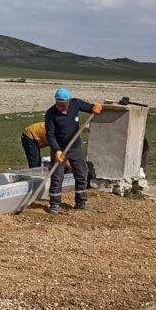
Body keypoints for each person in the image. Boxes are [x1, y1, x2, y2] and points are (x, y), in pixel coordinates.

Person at [44, 87, 103, 215]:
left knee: (81, 173)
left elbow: (90, 107)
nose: (61, 107)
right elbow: (50, 135)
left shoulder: (75, 103)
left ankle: (81, 202)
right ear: (56, 101)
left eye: (64, 105)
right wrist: (57, 150)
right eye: (59, 104)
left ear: (69, 101)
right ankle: (55, 204)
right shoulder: (50, 113)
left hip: (75, 147)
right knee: (57, 177)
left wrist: (95, 107)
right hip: (60, 149)